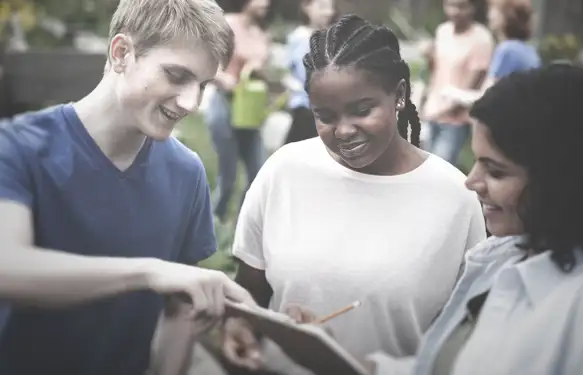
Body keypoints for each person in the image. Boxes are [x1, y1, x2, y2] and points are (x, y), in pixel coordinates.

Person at [0, 0, 255, 374]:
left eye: (202, 85)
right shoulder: (18, 148)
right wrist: (149, 272)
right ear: (122, 53)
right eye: (176, 75)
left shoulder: (187, 173)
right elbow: (8, 268)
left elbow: (180, 309)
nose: (191, 103)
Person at [224, 14, 486, 370]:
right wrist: (239, 326)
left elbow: (470, 332)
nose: (343, 131)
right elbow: (251, 291)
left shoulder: (456, 197)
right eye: (325, 115)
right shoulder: (283, 171)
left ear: (400, 95)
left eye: (362, 110)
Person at [363, 64, 583, 374]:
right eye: (476, 162)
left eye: (496, 171)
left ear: (559, 179)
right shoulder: (498, 258)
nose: (471, 182)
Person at [205, 0, 272, 223]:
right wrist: (222, 78)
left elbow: (261, 71)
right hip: (225, 103)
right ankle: (214, 222)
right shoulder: (228, 25)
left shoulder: (262, 33)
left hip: (249, 108)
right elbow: (206, 60)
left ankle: (242, 226)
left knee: (258, 172)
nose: (265, 2)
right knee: (229, 176)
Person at [421, 0, 494, 165]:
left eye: (461, 6)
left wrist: (444, 111)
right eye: (450, 5)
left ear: (473, 8)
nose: (454, 11)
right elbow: (437, 73)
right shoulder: (443, 31)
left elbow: (471, 87)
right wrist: (429, 56)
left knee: (440, 170)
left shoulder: (481, 38)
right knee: (423, 169)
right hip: (432, 112)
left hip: (455, 119)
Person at [441, 0, 541, 106]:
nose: (489, 15)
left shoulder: (507, 51)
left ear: (506, 17)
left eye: (493, 11)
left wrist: (453, 93)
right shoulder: (530, 51)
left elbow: (486, 98)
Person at [283, 0, 336, 144]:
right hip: (306, 108)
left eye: (330, 7)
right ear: (307, 7)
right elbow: (291, 74)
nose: (328, 12)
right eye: (322, 7)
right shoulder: (300, 38)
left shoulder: (331, 37)